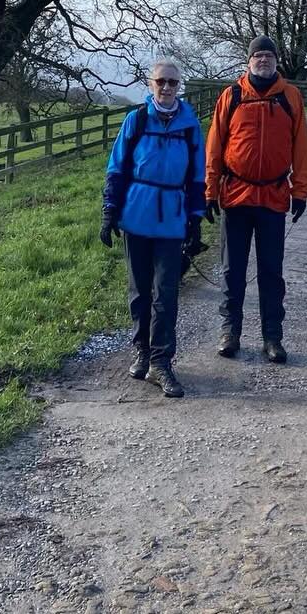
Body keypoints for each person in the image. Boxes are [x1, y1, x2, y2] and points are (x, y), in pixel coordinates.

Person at [102, 59, 206, 397]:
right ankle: (141, 352)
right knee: (140, 290)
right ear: (151, 84)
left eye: (173, 83)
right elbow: (117, 167)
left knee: (167, 293)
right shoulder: (137, 120)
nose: (166, 87)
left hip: (172, 219)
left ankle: (162, 361)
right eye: (161, 81)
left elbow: (197, 176)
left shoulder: (190, 126)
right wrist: (109, 212)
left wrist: (195, 218)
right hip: (137, 215)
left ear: (180, 86)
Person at [205, 36, 307, 364]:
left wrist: (301, 191)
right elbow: (215, 145)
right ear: (248, 61)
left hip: (273, 197)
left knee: (271, 272)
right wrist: (210, 190)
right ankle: (230, 332)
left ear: (276, 60)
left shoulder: (290, 96)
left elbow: (301, 147)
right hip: (236, 196)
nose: (263, 60)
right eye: (258, 56)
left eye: (268, 55)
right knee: (232, 270)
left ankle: (272, 337)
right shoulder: (231, 96)